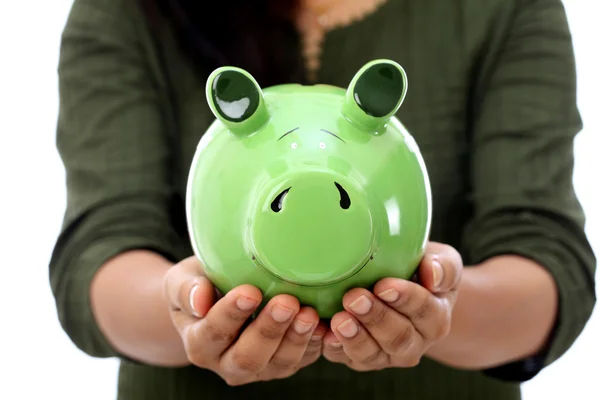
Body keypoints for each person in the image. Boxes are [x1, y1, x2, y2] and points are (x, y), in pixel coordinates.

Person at [49, 0, 597, 398]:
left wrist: (440, 306)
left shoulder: (504, 10)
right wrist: (185, 313)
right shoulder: (124, 12)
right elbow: (100, 253)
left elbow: (547, 262)